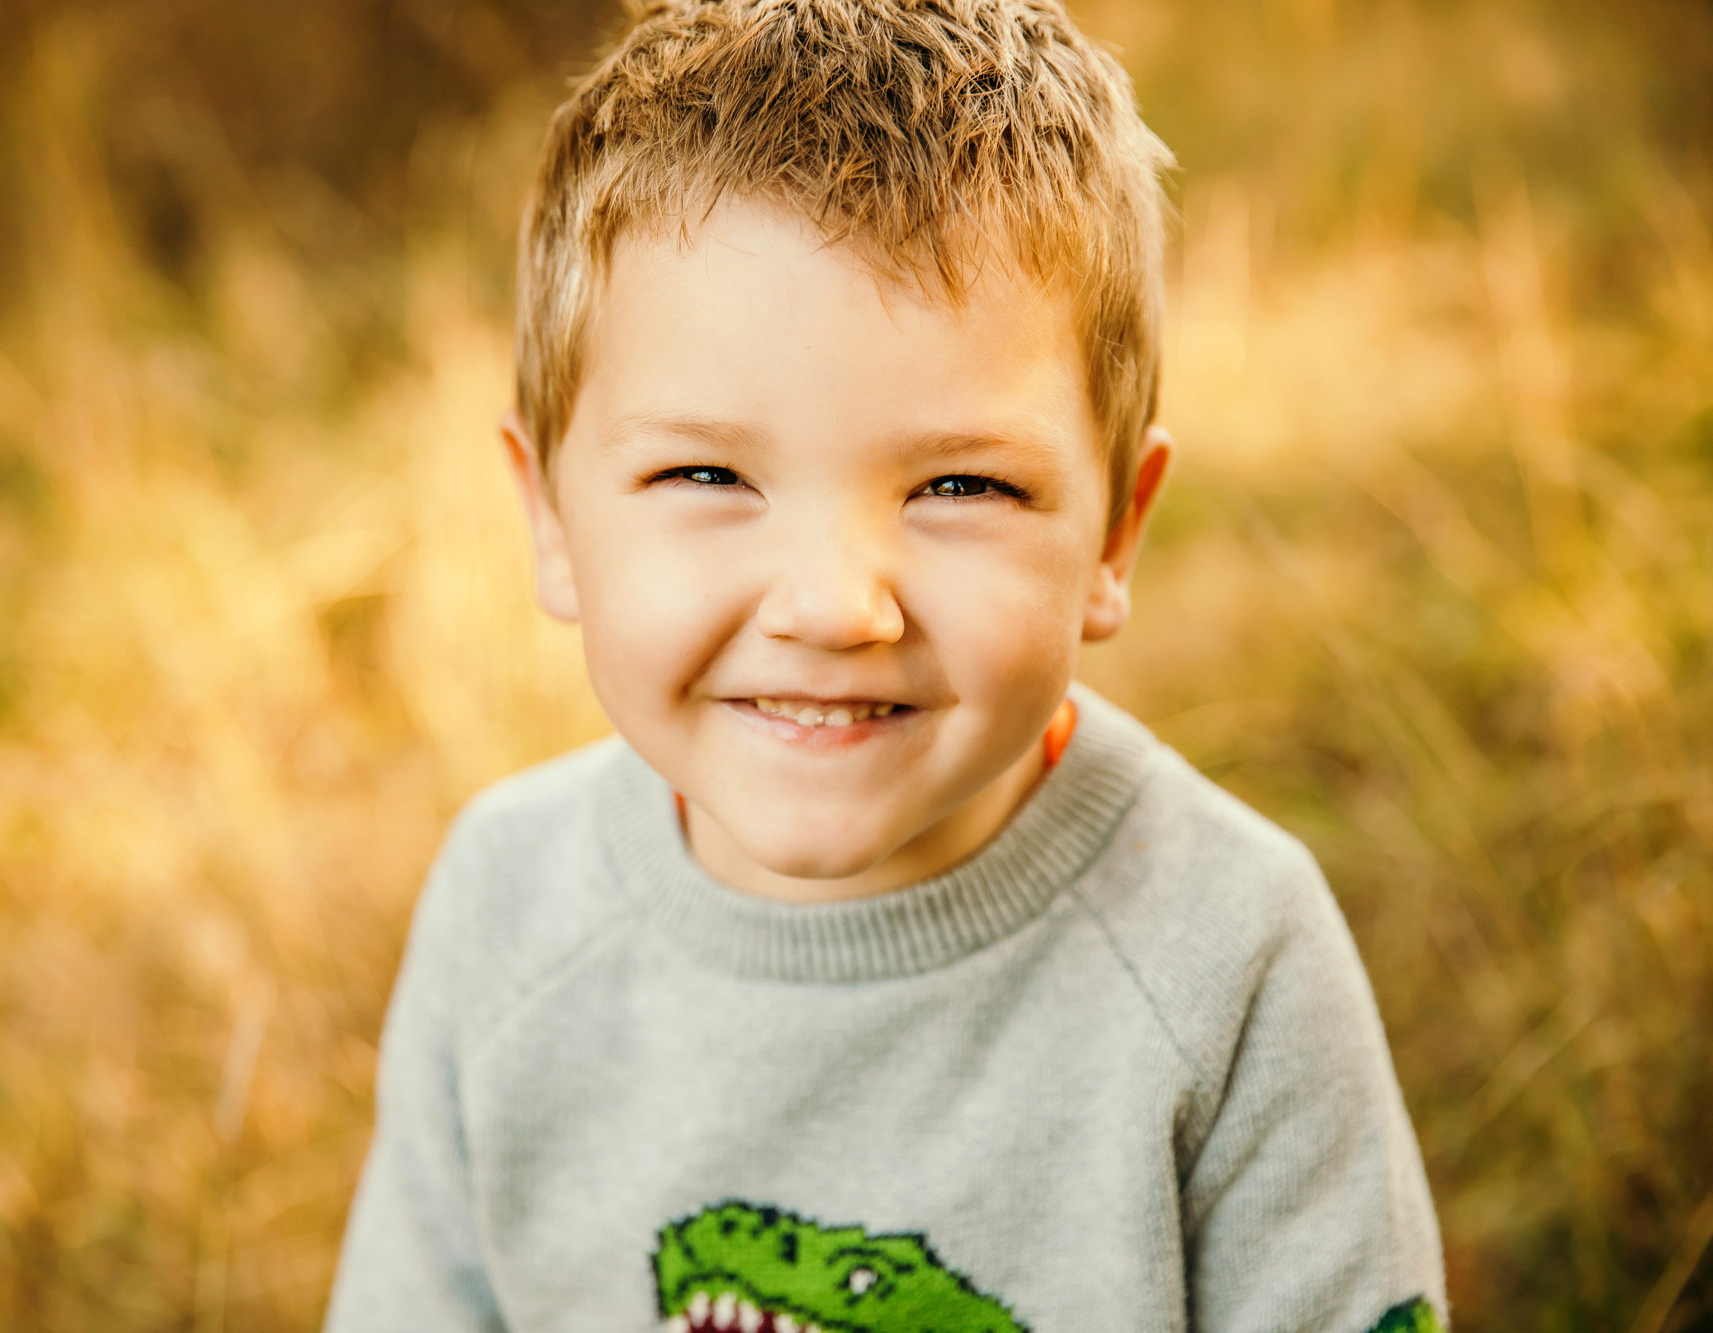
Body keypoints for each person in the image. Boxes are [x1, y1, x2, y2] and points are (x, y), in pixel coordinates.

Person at [324, 1, 1447, 1327]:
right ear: (553, 521)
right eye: (707, 473)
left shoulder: (1227, 952)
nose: (834, 605)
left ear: (1116, 532)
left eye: (961, 484)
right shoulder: (504, 913)